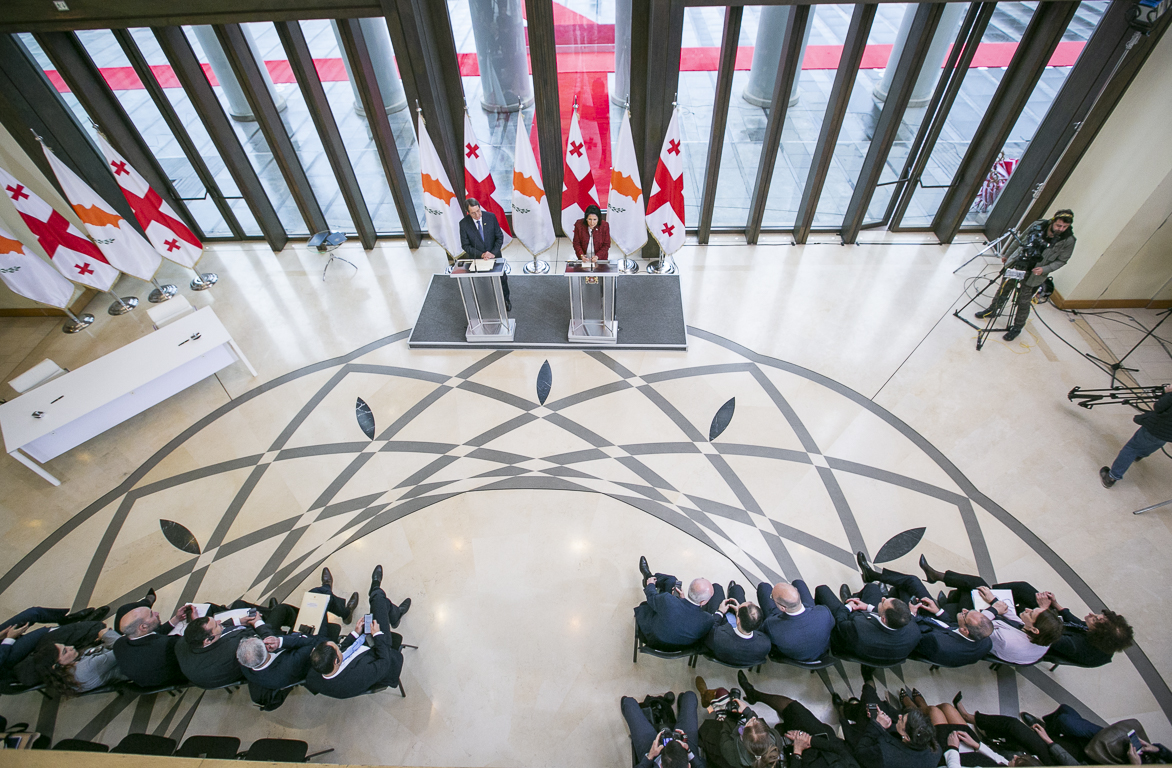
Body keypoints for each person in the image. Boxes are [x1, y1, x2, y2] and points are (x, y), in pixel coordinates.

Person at [917, 557, 1065, 665]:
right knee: (981, 588)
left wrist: (993, 608)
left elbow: (981, 626)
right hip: (989, 624)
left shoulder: (1007, 640)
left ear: (1035, 629)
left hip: (974, 631)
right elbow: (1013, 618)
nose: (1027, 609)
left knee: (974, 588)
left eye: (1031, 614)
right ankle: (942, 586)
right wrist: (993, 600)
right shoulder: (1042, 635)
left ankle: (945, 595)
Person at [854, 554, 993, 668]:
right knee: (912, 582)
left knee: (874, 590)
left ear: (965, 630)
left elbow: (911, 636)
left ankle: (857, 601)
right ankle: (872, 575)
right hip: (933, 620)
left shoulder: (937, 644)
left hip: (914, 626)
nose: (964, 610)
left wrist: (911, 614)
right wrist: (938, 611)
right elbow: (951, 626)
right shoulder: (985, 640)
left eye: (965, 614)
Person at [304, 564, 412, 699]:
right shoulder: (357, 676)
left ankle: (391, 611)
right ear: (336, 661)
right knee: (379, 599)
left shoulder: (318, 669)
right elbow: (385, 662)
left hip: (361, 643)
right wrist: (377, 635)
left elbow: (344, 648)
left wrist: (355, 633)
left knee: (378, 607)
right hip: (379, 651)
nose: (339, 645)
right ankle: (382, 597)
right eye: (337, 647)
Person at [975, 209, 1075, 341]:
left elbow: (1062, 260)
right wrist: (1008, 254)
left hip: (1035, 274)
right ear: (1053, 221)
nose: (1061, 229)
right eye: (1058, 225)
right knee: (1004, 289)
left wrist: (1044, 269)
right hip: (1018, 264)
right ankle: (992, 310)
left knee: (1023, 301)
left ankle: (1017, 327)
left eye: (1065, 227)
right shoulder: (1037, 225)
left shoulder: (1069, 240)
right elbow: (1019, 240)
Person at [735, 671, 861, 768]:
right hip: (821, 742)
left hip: (800, 761)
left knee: (769, 741)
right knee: (793, 708)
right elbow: (841, 749)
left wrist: (797, 752)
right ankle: (754, 694)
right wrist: (809, 740)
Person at [838, 675, 939, 768]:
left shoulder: (885, 754)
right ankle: (849, 708)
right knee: (871, 705)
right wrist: (884, 721)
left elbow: (860, 752)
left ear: (907, 737)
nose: (900, 716)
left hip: (869, 751)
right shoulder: (934, 749)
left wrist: (876, 725)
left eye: (902, 720)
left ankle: (844, 709)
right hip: (889, 739)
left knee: (867, 703)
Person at [949, 694, 1079, 765]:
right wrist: (1048, 741)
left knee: (1015, 755)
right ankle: (970, 718)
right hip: (1058, 762)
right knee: (1014, 726)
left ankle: (991, 742)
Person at [813, 581, 918, 666]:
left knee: (822, 590)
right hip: (872, 644)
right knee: (872, 587)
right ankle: (854, 598)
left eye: (883, 602)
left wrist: (848, 607)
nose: (883, 598)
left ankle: (849, 601)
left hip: (849, 634)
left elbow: (840, 622)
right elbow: (909, 618)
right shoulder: (914, 632)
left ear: (883, 619)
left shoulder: (858, 629)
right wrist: (868, 607)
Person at [635, 556, 725, 651]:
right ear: (703, 602)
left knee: (670, 581)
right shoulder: (707, 619)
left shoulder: (667, 600)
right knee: (672, 581)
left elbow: (651, 596)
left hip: (653, 640)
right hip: (683, 648)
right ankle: (649, 578)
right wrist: (682, 600)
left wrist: (650, 585)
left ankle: (648, 577)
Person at [0, 605, 108, 684]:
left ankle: (65, 620)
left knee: (33, 613)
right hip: (3, 661)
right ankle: (76, 627)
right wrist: (9, 639)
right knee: (42, 633)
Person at [176, 610, 277, 689]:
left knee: (239, 604)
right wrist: (257, 622)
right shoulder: (236, 647)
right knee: (280, 611)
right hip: (247, 665)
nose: (219, 621)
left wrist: (238, 621)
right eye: (216, 625)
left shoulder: (182, 642)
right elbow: (266, 642)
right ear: (208, 640)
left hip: (207, 679)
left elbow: (219, 632)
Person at [1100, 383, 1172, 488]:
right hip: (1168, 435)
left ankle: (1111, 477)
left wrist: (1167, 393)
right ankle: (1139, 456)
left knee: (1131, 449)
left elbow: (1158, 407)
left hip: (1155, 428)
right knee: (1154, 444)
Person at [114, 600, 195, 687]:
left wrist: (176, 619)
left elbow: (152, 633)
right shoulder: (167, 644)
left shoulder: (119, 644)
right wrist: (196, 622)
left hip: (145, 683)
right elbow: (194, 642)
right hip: (175, 678)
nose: (157, 613)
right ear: (143, 627)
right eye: (151, 614)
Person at [31, 625, 125, 696]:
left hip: (115, 656)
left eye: (66, 646)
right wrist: (106, 634)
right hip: (128, 659)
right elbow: (124, 648)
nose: (71, 647)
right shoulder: (86, 668)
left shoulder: (65, 674)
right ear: (57, 665)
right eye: (65, 651)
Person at [621, 690, 706, 768]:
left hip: (654, 757)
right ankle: (683, 702)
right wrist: (689, 751)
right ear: (689, 766)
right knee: (690, 696)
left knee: (628, 703)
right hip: (684, 755)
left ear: (661, 766)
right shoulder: (688, 762)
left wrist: (650, 756)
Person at [755, 579, 833, 663]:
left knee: (764, 587)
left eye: (772, 597)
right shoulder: (824, 612)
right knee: (798, 582)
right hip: (821, 652)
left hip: (794, 656)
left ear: (782, 608)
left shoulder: (772, 626)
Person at [459, 197, 510, 311]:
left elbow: (499, 237)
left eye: (478, 211)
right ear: (468, 212)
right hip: (478, 258)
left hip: (494, 255)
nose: (477, 215)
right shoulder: (464, 224)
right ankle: (486, 303)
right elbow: (465, 245)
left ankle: (505, 300)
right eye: (473, 213)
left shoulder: (490, 217)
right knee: (482, 282)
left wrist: (492, 253)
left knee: (502, 280)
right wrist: (482, 255)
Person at [705, 582, 771, 667]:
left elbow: (712, 627)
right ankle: (734, 588)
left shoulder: (717, 637)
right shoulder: (765, 643)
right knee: (737, 589)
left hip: (723, 625)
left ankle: (727, 589)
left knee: (716, 588)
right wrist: (738, 611)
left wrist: (720, 612)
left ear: (738, 620)